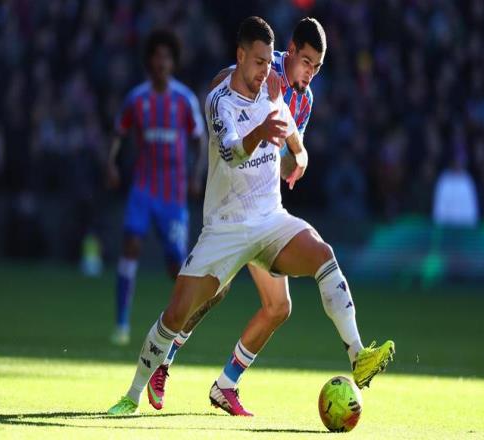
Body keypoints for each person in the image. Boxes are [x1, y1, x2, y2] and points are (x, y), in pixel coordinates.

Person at [107, 16, 394, 417]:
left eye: (317, 67)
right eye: (306, 63)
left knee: (290, 293)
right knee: (197, 302)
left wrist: (298, 159)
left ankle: (350, 356)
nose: (309, 74)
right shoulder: (254, 75)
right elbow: (226, 116)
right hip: (227, 220)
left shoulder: (295, 99)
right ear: (286, 53)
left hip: (267, 214)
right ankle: (149, 377)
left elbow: (294, 145)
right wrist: (259, 117)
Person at [107, 30, 206, 346]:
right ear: (150, 60)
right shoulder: (137, 99)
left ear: (173, 62)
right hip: (143, 187)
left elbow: (200, 141)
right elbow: (119, 133)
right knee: (131, 244)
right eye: (157, 56)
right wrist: (111, 163)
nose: (162, 62)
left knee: (176, 265)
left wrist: (197, 176)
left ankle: (179, 327)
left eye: (167, 57)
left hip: (173, 194)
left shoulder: (184, 100)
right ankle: (122, 323)